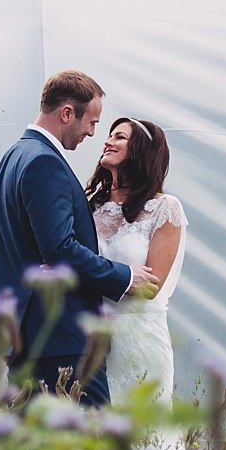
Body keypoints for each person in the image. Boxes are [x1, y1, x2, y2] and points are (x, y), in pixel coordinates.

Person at [0, 70, 159, 406]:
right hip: (60, 338)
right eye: (91, 122)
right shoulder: (44, 163)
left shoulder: (12, 158)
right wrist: (124, 275)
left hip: (25, 334)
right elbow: (60, 248)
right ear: (67, 113)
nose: (93, 133)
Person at [86, 117, 186, 404]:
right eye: (109, 135)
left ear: (141, 150)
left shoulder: (165, 209)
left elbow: (149, 286)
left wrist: (90, 274)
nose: (107, 141)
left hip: (139, 340)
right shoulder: (89, 205)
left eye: (119, 137)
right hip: (92, 338)